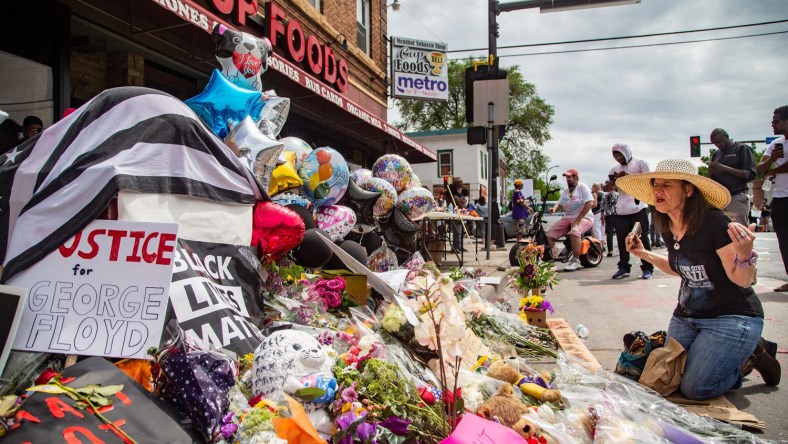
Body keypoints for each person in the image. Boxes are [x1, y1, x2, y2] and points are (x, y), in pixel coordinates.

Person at [618, 158, 780, 400]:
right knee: (669, 377)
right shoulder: (667, 224)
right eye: (655, 184)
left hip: (732, 317)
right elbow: (679, 269)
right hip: (686, 317)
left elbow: (742, 280)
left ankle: (749, 357)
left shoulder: (714, 223)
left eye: (667, 185)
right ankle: (731, 356)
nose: (658, 190)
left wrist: (745, 255)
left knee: (695, 388)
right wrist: (642, 253)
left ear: (689, 189)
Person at [609, 143, 654, 280]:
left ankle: (647, 268)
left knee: (643, 239)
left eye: (619, 154)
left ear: (626, 152)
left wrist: (627, 176)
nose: (618, 158)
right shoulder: (614, 168)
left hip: (638, 208)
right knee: (623, 241)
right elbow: (609, 188)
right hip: (622, 210)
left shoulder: (640, 163)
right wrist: (612, 182)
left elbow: (649, 182)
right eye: (615, 155)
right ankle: (623, 268)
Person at [757, 105, 788, 292]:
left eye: (776, 121)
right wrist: (771, 160)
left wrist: (772, 170)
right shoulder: (775, 144)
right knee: (784, 240)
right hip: (780, 198)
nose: (773, 125)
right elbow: (759, 169)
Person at [546, 168, 594, 272]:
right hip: (568, 218)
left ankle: (576, 261)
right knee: (549, 233)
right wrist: (554, 209)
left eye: (569, 177)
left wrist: (578, 219)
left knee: (575, 231)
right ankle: (552, 258)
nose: (567, 179)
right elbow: (559, 203)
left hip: (584, 217)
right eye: (566, 177)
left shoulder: (582, 187)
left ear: (575, 177)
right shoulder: (565, 191)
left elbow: (589, 203)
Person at [708, 128, 756, 225]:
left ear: (726, 136)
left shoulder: (742, 149)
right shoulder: (717, 154)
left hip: (736, 196)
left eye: (719, 142)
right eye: (715, 143)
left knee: (739, 231)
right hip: (720, 199)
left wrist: (725, 168)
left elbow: (749, 174)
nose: (718, 145)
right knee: (722, 232)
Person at [448, 177, 469, 252]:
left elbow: (464, 204)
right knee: (457, 232)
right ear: (457, 183)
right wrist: (463, 201)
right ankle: (455, 247)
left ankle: (460, 247)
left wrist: (464, 201)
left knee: (461, 232)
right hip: (456, 215)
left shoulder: (461, 193)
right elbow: (462, 205)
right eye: (460, 181)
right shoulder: (455, 196)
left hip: (461, 214)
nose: (462, 183)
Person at [601, 180, 618, 257]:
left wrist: (602, 217)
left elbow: (602, 207)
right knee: (619, 233)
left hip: (608, 216)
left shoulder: (605, 195)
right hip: (618, 215)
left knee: (609, 234)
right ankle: (622, 249)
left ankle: (610, 250)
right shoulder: (618, 195)